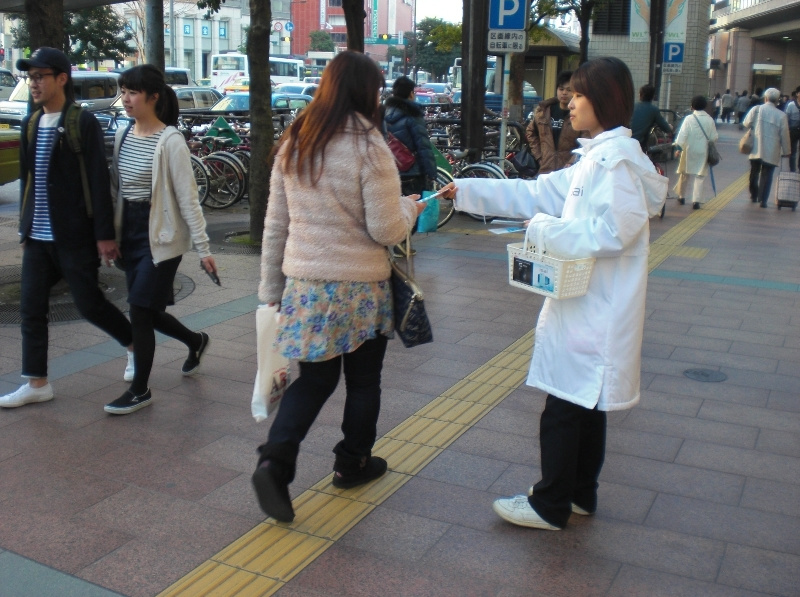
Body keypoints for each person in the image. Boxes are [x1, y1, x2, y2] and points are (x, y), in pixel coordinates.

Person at [439, 57, 667, 531]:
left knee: (566, 403)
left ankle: (550, 504)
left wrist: (546, 227)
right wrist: (463, 191)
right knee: (584, 403)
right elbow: (535, 192)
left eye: (579, 95)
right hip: (590, 303)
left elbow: (614, 231)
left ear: (603, 100)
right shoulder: (597, 160)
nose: (569, 101)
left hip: (596, 309)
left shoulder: (616, 164)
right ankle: (580, 493)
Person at [251, 51, 424, 523]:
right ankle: (353, 463)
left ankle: (275, 460)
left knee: (314, 380)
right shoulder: (371, 147)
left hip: (306, 285)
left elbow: (275, 224)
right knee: (364, 380)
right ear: (368, 92)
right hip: (361, 288)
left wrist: (270, 288)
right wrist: (412, 208)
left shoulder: (296, 141)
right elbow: (388, 229)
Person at [0, 47, 134, 410]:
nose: (34, 83)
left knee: (89, 304)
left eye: (40, 76)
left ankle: (134, 344)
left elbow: (96, 179)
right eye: (31, 77)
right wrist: (25, 230)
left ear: (61, 78)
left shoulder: (81, 122)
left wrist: (104, 236)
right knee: (31, 307)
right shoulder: (30, 122)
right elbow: (29, 180)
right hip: (38, 237)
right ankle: (37, 382)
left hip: (74, 236)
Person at [103, 65, 218, 415]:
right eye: (122, 91)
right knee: (148, 311)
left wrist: (203, 249)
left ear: (153, 97)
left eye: (132, 92)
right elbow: (116, 189)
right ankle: (195, 341)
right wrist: (110, 235)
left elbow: (187, 199)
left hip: (162, 237)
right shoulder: (124, 134)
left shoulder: (171, 141)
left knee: (139, 309)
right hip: (131, 233)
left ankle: (140, 390)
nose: (125, 99)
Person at [383, 75, 438, 196]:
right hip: (413, 171)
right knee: (415, 209)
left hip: (391, 169)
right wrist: (431, 172)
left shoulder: (384, 113)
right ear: (411, 94)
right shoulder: (413, 115)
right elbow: (423, 147)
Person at [525, 70, 586, 174]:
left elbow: (585, 140)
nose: (564, 93)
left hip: (569, 171)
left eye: (569, 90)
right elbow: (530, 132)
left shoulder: (579, 114)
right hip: (546, 169)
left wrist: (572, 161)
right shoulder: (543, 111)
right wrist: (539, 156)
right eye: (561, 89)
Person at [742, 88, 791, 208]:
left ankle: (754, 194)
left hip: (756, 147)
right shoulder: (781, 115)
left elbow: (746, 123)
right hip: (772, 149)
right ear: (777, 100)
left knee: (754, 172)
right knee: (767, 174)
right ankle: (763, 200)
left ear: (765, 98)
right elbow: (784, 135)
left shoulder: (756, 109)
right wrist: (787, 150)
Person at [674, 95, 719, 209]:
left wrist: (678, 148)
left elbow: (682, 134)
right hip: (703, 151)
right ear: (704, 106)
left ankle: (681, 196)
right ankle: (696, 201)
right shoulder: (709, 119)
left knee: (684, 173)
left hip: (688, 150)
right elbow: (714, 137)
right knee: (700, 176)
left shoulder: (689, 119)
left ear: (692, 106)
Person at [630, 83, 673, 152]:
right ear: (653, 97)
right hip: (638, 144)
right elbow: (666, 128)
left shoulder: (631, 106)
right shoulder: (653, 110)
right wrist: (670, 127)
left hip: (624, 140)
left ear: (639, 95)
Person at [783, 89, 800, 172]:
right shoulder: (791, 105)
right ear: (797, 94)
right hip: (793, 130)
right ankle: (792, 170)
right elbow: (786, 118)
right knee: (793, 152)